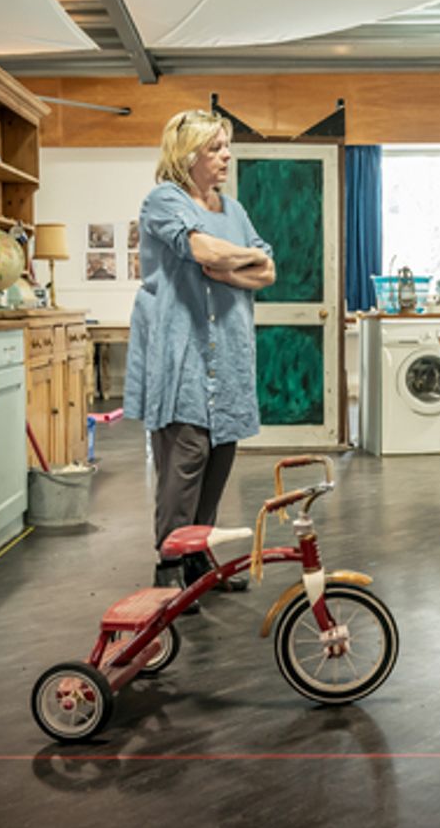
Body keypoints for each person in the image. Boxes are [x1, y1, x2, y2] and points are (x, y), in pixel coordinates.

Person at [124, 109, 276, 597]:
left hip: (228, 355)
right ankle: (169, 566)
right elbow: (204, 251)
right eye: (215, 147)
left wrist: (233, 270)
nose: (226, 155)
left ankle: (196, 560)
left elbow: (267, 271)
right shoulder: (162, 201)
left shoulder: (232, 209)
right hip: (181, 354)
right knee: (185, 461)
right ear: (187, 154)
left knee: (220, 457)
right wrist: (235, 257)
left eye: (226, 145)